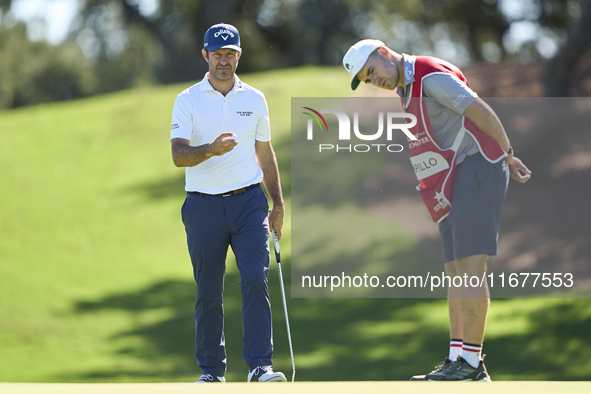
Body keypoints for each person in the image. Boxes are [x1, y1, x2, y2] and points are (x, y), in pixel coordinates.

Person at [342, 40, 532, 381]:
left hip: (478, 167)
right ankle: (457, 358)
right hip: (453, 180)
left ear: (384, 53)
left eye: (372, 71)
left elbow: (480, 111)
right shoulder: (406, 87)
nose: (375, 81)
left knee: (471, 270)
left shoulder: (429, 78)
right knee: (455, 273)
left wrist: (509, 154)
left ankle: (472, 366)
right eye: (368, 80)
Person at [170, 22, 286, 383]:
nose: (224, 61)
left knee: (255, 278)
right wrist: (211, 150)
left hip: (249, 203)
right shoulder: (187, 99)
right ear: (205, 55)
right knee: (208, 290)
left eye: (230, 54)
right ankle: (212, 372)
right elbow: (178, 155)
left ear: (239, 55)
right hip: (203, 206)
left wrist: (277, 203)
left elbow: (264, 152)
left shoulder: (254, 98)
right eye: (217, 54)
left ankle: (259, 366)